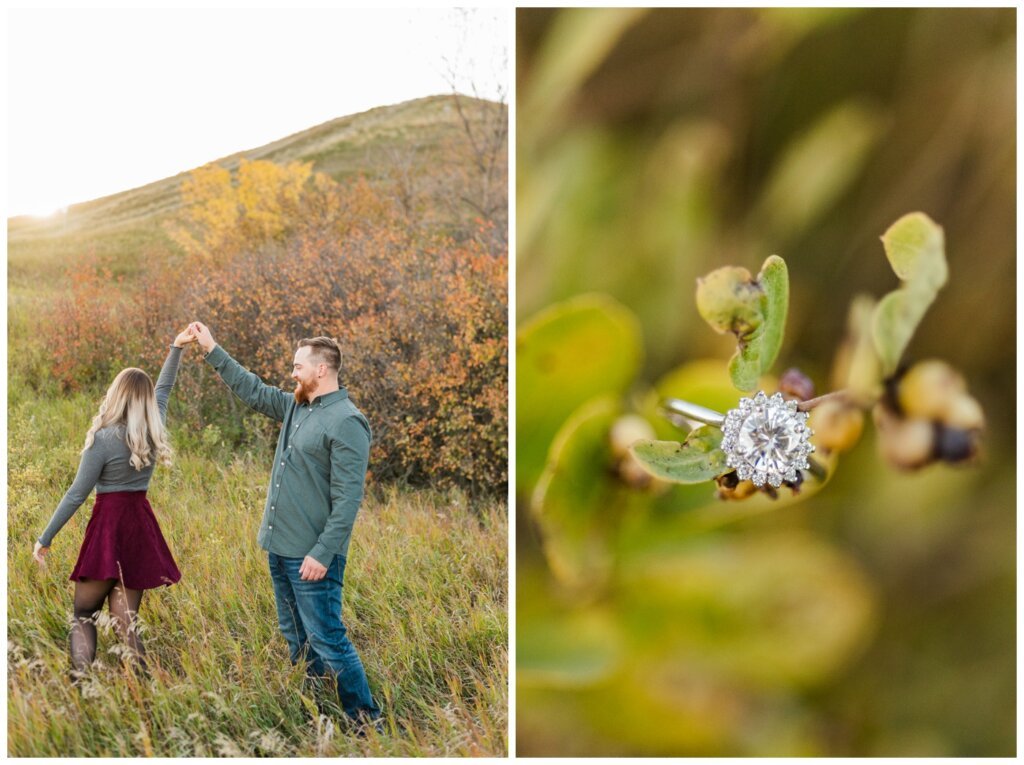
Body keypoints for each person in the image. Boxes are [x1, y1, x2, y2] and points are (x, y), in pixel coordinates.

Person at [188, 321, 382, 729]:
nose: (292, 372)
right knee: (296, 637)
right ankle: (317, 710)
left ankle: (367, 725)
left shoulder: (347, 421)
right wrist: (211, 349)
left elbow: (348, 502)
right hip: (279, 546)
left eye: (298, 366)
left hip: (313, 556)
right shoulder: (297, 405)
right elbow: (253, 390)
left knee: (329, 639)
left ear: (321, 370)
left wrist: (322, 553)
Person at [33, 327, 198, 674]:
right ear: (146, 401)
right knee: (127, 625)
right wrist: (176, 348)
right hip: (139, 527)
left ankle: (82, 689)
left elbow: (77, 494)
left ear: (116, 395)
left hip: (109, 527)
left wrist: (44, 539)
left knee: (83, 614)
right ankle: (145, 696)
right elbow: (164, 390)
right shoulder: (154, 431)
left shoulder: (103, 439)